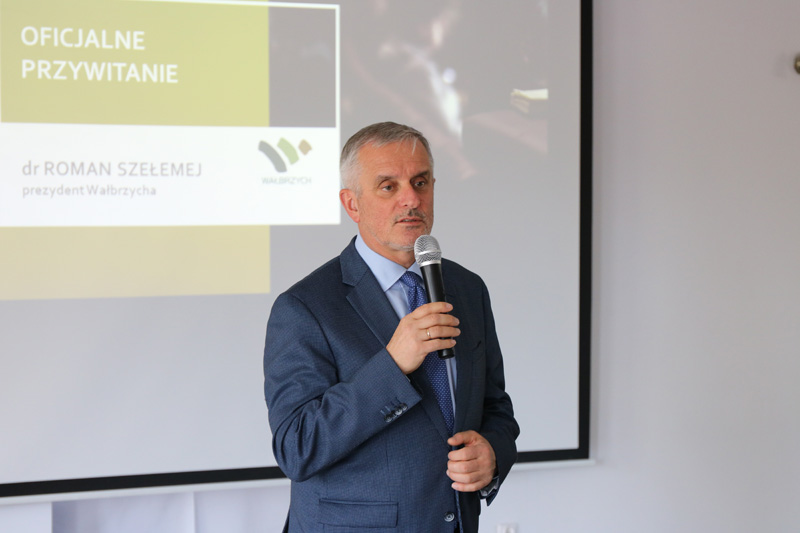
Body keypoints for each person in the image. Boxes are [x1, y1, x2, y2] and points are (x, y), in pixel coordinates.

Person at [263, 122, 519, 532]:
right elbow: (297, 447)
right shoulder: (304, 307)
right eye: (388, 186)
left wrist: (492, 454)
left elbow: (495, 407)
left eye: (420, 182)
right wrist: (392, 365)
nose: (412, 199)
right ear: (352, 204)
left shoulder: (467, 289)